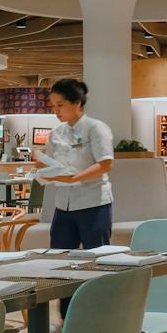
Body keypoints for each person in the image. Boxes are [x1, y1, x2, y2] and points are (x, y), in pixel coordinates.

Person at [38, 77, 115, 252]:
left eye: (60, 105)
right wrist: (42, 167)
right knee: (58, 255)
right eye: (53, 106)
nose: (55, 111)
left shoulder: (96, 128)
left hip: (93, 202)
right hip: (63, 205)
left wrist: (75, 178)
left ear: (77, 103)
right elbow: (52, 164)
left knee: (97, 256)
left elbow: (105, 164)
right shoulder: (56, 133)